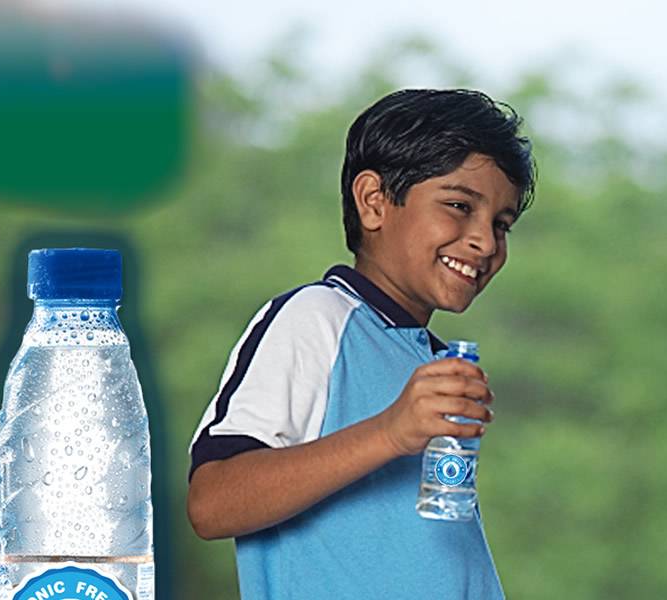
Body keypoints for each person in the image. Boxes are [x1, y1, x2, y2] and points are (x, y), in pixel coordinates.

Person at [186, 88, 536, 599]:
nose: (485, 241)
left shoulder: (430, 360)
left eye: (501, 224)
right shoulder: (317, 319)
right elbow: (213, 502)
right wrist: (391, 431)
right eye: (459, 206)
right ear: (374, 201)